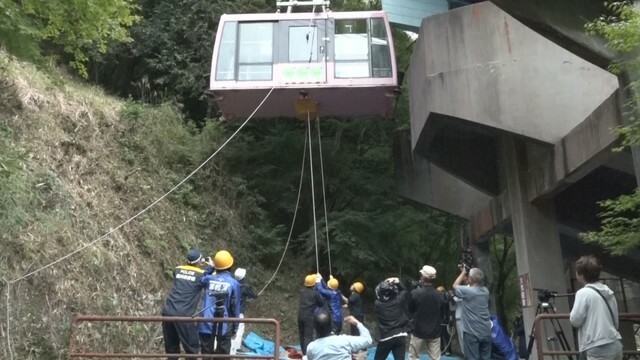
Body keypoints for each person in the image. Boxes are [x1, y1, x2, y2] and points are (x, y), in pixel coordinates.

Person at [570, 255, 622, 360]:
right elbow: (616, 321)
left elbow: (575, 320)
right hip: (615, 343)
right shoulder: (608, 292)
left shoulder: (583, 293)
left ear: (581, 274)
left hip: (597, 346)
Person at [161, 249, 206, 360]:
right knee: (192, 347)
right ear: (199, 261)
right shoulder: (202, 275)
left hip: (168, 310)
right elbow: (213, 275)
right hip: (183, 314)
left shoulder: (178, 269)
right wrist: (211, 265)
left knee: (171, 347)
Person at [198, 250, 241, 355]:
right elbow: (235, 307)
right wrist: (235, 328)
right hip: (224, 324)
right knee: (222, 355)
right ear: (230, 266)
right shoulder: (234, 283)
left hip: (206, 322)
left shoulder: (208, 279)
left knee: (206, 354)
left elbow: (201, 279)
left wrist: (211, 267)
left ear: (217, 266)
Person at [453, 266, 491, 360]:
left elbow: (455, 286)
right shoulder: (486, 291)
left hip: (472, 332)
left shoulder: (468, 291)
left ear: (470, 279)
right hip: (486, 331)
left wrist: (462, 273)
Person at [408, 265, 445, 360]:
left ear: (423, 277)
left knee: (414, 357)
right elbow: (442, 311)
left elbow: (410, 310)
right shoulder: (440, 295)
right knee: (435, 358)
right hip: (434, 331)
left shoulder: (416, 293)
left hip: (418, 330)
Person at [373, 277, 411, 360]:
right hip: (399, 335)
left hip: (386, 337)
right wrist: (397, 281)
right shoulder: (399, 300)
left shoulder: (378, 304)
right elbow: (404, 290)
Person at [306, 314, 373, 360]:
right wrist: (357, 323)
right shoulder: (344, 340)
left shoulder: (311, 348)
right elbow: (367, 340)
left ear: (315, 328)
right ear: (331, 325)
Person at [230, 267, 258, 354]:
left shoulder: (231, 283)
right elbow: (254, 295)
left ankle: (231, 346)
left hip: (229, 310)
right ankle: (236, 347)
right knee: (239, 328)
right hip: (239, 311)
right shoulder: (245, 286)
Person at [298, 274, 325, 355]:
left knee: (301, 335)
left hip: (300, 315)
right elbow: (321, 303)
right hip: (309, 317)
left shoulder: (302, 292)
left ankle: (303, 352)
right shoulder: (315, 293)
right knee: (308, 336)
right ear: (314, 284)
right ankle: (307, 355)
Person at [436, 285, 453, 355]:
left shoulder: (446, 298)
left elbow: (447, 307)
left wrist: (450, 318)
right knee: (440, 335)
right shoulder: (438, 299)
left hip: (444, 318)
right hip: (439, 319)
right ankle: (442, 349)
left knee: (446, 335)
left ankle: (448, 350)